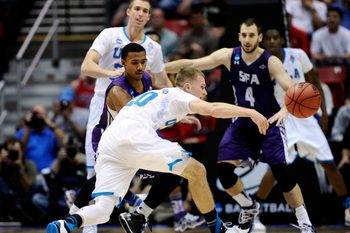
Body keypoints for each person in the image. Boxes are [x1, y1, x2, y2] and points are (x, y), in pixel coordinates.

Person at [46, 67, 269, 233]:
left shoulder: (161, 96)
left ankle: (67, 223)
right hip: (135, 138)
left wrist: (184, 116)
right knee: (197, 171)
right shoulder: (180, 95)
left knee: (104, 210)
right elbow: (212, 109)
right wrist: (249, 112)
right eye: (202, 87)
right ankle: (219, 229)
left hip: (111, 143)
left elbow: (156, 114)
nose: (205, 91)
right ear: (187, 86)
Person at [165, 18, 316, 232]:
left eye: (252, 35)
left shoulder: (270, 61)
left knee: (282, 174)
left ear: (259, 37)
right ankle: (248, 206)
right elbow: (194, 64)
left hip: (269, 122)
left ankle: (305, 223)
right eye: (244, 35)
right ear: (239, 36)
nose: (247, 39)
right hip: (242, 123)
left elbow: (290, 87)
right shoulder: (229, 55)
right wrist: (160, 68)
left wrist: (285, 109)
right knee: (224, 172)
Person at [80, 1, 172, 231]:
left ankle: (136, 212)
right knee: (95, 168)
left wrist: (185, 104)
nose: (140, 14)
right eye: (137, 9)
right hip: (103, 110)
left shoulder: (153, 47)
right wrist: (111, 72)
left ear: (150, 17)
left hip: (134, 115)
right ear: (128, 12)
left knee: (133, 166)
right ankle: (90, 225)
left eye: (145, 11)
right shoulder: (109, 35)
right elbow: (86, 66)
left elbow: (163, 82)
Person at [253, 28, 350, 229]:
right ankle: (254, 212)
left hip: (305, 116)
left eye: (275, 37)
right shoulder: (262, 64)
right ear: (265, 43)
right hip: (280, 117)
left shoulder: (298, 55)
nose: (272, 41)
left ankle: (348, 208)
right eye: (268, 39)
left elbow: (315, 83)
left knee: (329, 164)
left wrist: (323, 113)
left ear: (281, 39)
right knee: (276, 169)